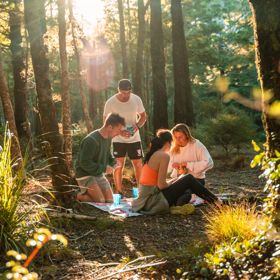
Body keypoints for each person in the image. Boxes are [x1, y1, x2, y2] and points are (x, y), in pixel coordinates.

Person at [132, 130, 221, 215]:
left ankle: (180, 204)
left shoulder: (152, 154)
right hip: (154, 202)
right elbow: (161, 185)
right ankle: (217, 201)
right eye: (172, 142)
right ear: (168, 142)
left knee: (182, 179)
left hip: (145, 201)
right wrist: (173, 183)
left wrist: (175, 181)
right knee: (188, 179)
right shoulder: (163, 156)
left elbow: (156, 183)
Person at [103, 79, 147, 194]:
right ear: (118, 90)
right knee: (119, 164)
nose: (125, 95)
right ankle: (119, 191)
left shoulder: (136, 99)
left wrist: (137, 126)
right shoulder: (111, 102)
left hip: (134, 137)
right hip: (117, 138)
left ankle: (141, 191)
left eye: (128, 92)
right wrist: (119, 132)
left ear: (130, 90)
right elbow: (105, 122)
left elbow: (143, 117)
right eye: (123, 92)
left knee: (138, 164)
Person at [75, 113, 125, 203]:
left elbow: (108, 155)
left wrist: (114, 162)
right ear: (110, 127)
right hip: (85, 174)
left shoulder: (108, 138)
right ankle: (75, 195)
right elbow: (84, 163)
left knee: (110, 201)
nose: (119, 133)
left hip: (98, 173)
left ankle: (91, 194)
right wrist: (104, 168)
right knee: (100, 201)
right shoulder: (91, 140)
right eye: (118, 130)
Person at [169, 123, 214, 205]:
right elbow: (169, 165)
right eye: (175, 137)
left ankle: (198, 197)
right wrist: (174, 165)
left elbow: (208, 162)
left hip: (196, 181)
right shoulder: (174, 147)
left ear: (186, 135)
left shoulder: (196, 145)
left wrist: (188, 165)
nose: (178, 139)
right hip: (179, 180)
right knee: (171, 200)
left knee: (181, 201)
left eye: (180, 137)